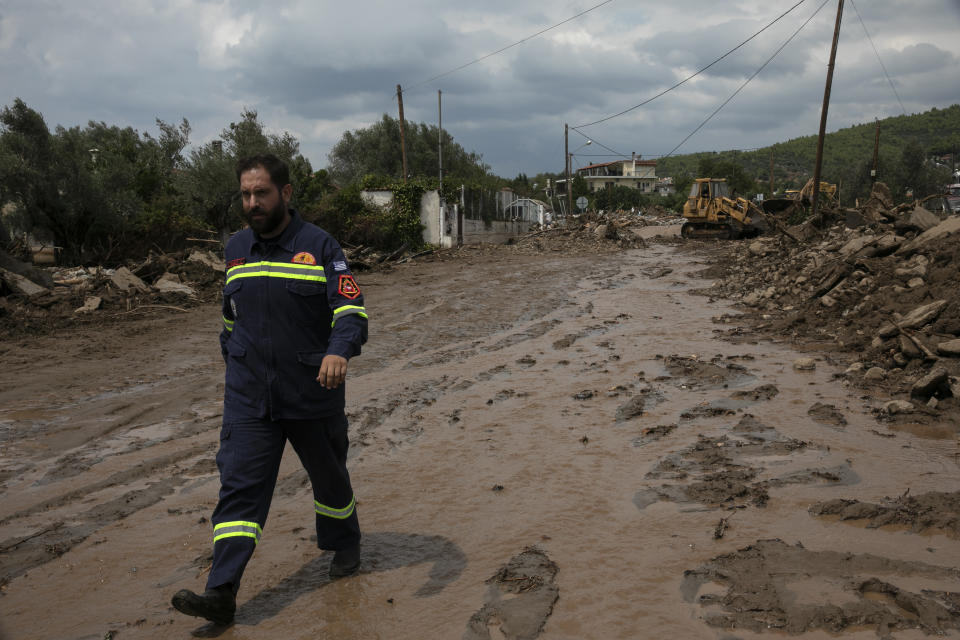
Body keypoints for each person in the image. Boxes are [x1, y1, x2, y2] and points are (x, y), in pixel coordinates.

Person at [172, 154, 368, 626]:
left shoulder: (320, 245)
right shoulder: (235, 248)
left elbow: (350, 308)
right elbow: (228, 320)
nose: (253, 202)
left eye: (261, 193)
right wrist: (237, 364)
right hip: (249, 397)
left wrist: (338, 351)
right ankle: (220, 591)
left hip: (312, 390)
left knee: (330, 479)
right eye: (245, 194)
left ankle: (344, 543)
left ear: (286, 193)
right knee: (239, 489)